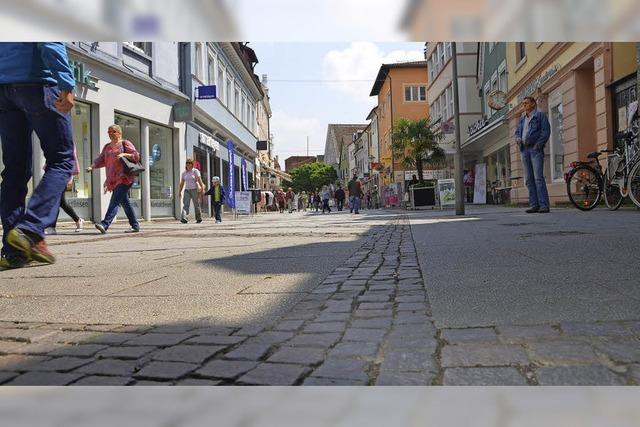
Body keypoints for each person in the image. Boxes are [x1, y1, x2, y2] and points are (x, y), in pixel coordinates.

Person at [0, 43, 76, 268]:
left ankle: (15, 251)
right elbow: (48, 40)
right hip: (38, 84)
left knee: (14, 169)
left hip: (3, 91)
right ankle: (30, 230)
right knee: (62, 159)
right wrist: (66, 84)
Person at [86, 124, 141, 234]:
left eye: (113, 131)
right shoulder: (107, 147)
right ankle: (135, 225)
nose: (111, 134)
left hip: (124, 178)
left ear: (119, 133)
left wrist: (124, 154)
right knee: (125, 203)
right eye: (109, 132)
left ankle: (105, 224)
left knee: (114, 201)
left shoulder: (125, 143)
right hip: (113, 179)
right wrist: (91, 166)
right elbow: (101, 159)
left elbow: (136, 155)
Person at [515, 96, 551, 213]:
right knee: (529, 179)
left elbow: (546, 131)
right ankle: (534, 205)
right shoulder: (522, 118)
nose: (524, 105)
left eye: (526, 103)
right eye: (523, 103)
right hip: (524, 149)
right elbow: (517, 132)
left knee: (538, 178)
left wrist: (538, 145)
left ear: (533, 104)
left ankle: (544, 205)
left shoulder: (540, 115)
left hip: (535, 149)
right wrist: (518, 138)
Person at [45, 146, 84, 235]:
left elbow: (72, 162)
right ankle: (78, 220)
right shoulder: (53, 142)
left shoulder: (69, 144)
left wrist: (70, 178)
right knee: (62, 203)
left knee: (57, 202)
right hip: (53, 175)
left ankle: (51, 227)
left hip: (63, 177)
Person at [179, 158, 205, 223]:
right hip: (187, 190)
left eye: (189, 163)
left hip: (194, 190)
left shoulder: (195, 171)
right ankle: (184, 218)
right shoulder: (184, 173)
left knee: (196, 204)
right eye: (187, 163)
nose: (188, 164)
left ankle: (198, 218)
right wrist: (179, 191)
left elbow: (200, 180)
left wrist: (202, 188)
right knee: (185, 204)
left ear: (192, 164)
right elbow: (182, 183)